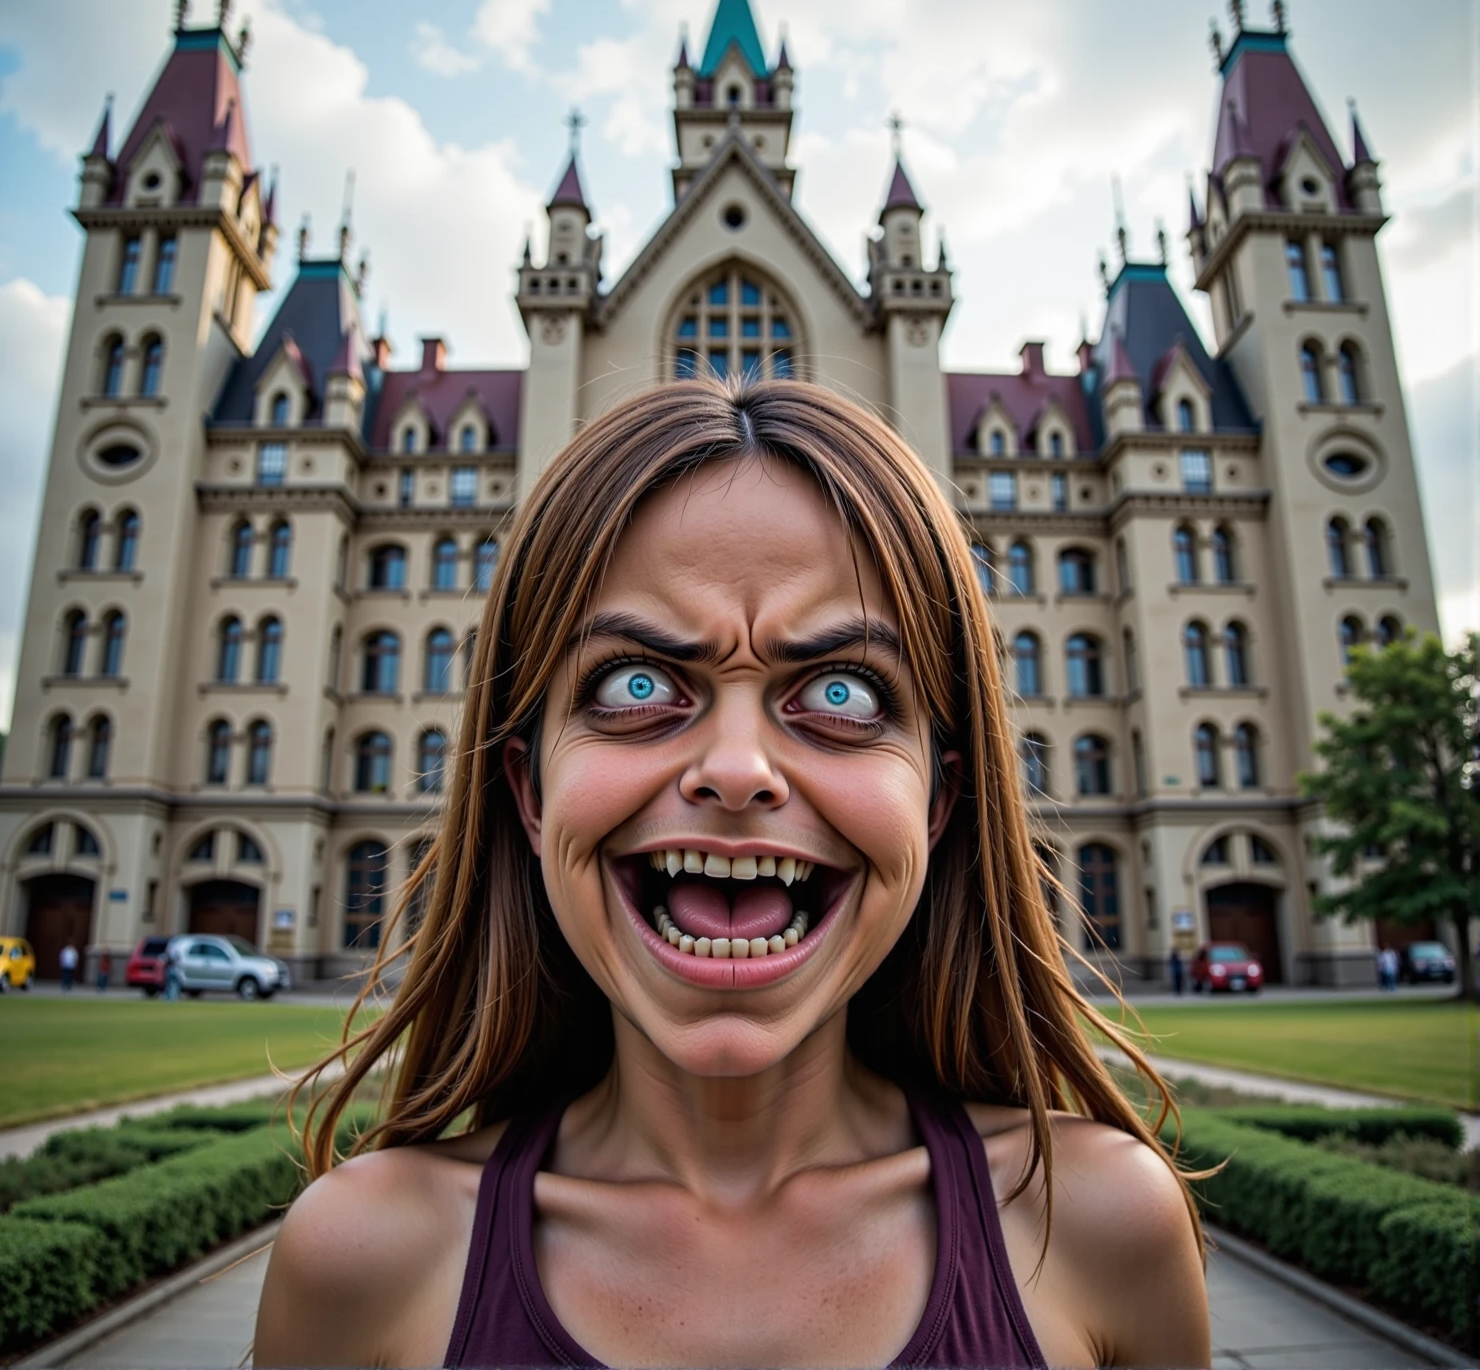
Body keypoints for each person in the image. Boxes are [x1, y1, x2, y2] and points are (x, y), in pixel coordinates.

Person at [257, 379, 1210, 1370]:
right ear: (529, 791)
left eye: (841, 692)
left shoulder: (1102, 1227)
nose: (737, 768)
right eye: (637, 684)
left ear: (935, 801)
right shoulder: (361, 1261)